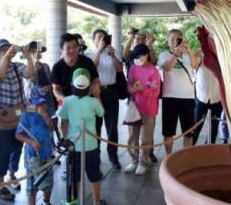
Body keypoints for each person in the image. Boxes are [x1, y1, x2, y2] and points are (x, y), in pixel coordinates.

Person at [0, 39, 34, 201]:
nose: (8, 52)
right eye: (3, 50)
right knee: (3, 150)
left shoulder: (16, 66)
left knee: (17, 145)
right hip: (2, 115)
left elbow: (30, 74)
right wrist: (6, 58)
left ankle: (11, 175)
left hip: (19, 112)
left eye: (9, 49)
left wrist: (28, 57)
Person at [59, 68, 107, 205]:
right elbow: (102, 113)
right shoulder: (93, 102)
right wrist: (97, 95)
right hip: (91, 145)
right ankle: (96, 201)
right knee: (94, 174)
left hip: (73, 146)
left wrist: (64, 138)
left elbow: (63, 122)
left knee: (74, 177)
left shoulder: (67, 101)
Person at [15, 96, 60, 205]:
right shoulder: (26, 116)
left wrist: (47, 117)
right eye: (38, 104)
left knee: (49, 181)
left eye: (43, 104)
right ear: (30, 104)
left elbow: (56, 120)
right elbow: (18, 135)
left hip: (47, 153)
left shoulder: (48, 112)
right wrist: (30, 141)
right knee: (32, 184)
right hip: (32, 156)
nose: (41, 107)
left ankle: (46, 204)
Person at [86, 29, 123, 170]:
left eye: (104, 37)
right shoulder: (90, 54)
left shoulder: (113, 52)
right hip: (95, 92)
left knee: (112, 126)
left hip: (111, 92)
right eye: (99, 38)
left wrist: (113, 55)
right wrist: (99, 51)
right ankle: (95, 155)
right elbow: (91, 69)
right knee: (95, 126)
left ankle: (113, 156)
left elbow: (119, 70)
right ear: (94, 40)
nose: (102, 40)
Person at [158, 29, 198, 155]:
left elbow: (196, 66)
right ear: (167, 40)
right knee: (168, 132)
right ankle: (168, 157)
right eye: (172, 39)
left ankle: (186, 158)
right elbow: (168, 68)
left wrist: (189, 49)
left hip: (188, 97)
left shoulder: (187, 55)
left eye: (177, 38)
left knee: (188, 132)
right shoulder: (164, 54)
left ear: (182, 39)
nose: (175, 41)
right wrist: (176, 54)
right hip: (170, 97)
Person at [125, 44, 161, 175]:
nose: (137, 59)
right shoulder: (133, 68)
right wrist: (132, 89)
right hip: (135, 107)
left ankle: (143, 162)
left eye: (139, 56)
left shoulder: (154, 71)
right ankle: (134, 161)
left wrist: (143, 90)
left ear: (146, 55)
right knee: (132, 136)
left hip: (149, 108)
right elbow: (129, 84)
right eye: (135, 57)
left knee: (146, 137)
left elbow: (156, 91)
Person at [51, 33, 100, 101]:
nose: (72, 50)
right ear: (61, 49)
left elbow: (95, 81)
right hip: (67, 104)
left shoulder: (88, 62)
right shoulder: (57, 67)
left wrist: (88, 95)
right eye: (68, 48)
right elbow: (56, 89)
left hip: (86, 102)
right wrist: (65, 100)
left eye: (74, 47)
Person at [193, 54, 223, 145]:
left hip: (216, 98)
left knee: (214, 129)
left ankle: (208, 149)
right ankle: (188, 150)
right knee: (196, 127)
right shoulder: (200, 56)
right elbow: (194, 64)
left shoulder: (221, 57)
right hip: (202, 98)